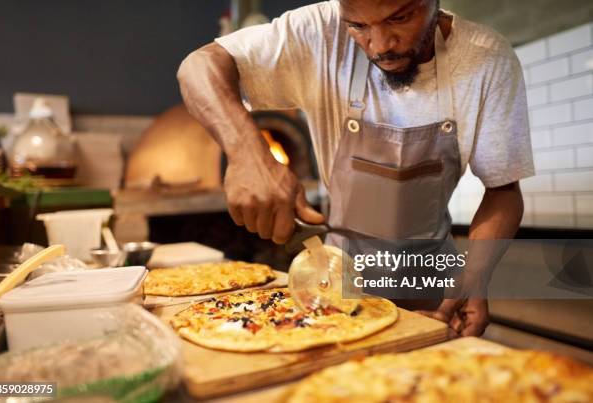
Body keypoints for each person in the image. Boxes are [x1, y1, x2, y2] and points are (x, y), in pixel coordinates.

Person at [177, 0, 535, 337]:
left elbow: (502, 190)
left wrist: (476, 277)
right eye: (357, 25)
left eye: (399, 18)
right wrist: (246, 153)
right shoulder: (318, 32)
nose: (380, 45)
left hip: (435, 291)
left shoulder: (486, 59)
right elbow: (198, 65)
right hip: (338, 284)